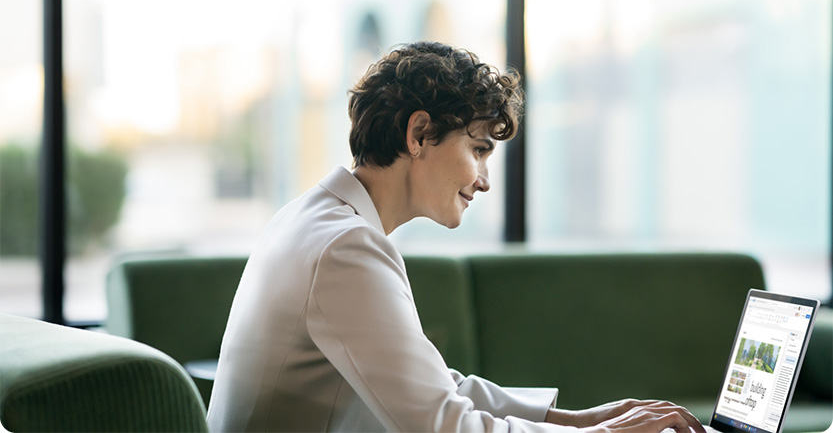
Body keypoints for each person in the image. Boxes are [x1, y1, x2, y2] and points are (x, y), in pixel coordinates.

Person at [206, 41, 706, 433]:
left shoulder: (312, 221)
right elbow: (444, 426)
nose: (484, 181)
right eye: (478, 150)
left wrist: (579, 420)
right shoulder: (344, 249)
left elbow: (430, 388)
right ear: (419, 134)